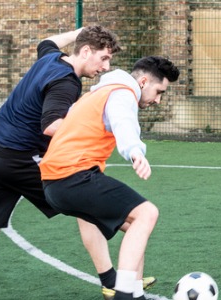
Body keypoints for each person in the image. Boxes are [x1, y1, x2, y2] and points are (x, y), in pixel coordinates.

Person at [0, 26, 149, 300]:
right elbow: (52, 124)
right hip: (19, 158)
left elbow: (47, 40)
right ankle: (114, 282)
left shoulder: (50, 57)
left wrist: (80, 31)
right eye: (103, 58)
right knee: (87, 202)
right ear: (85, 51)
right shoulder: (67, 82)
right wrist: (94, 124)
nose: (106, 66)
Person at [39, 56, 179, 300]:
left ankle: (134, 293)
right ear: (144, 81)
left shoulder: (98, 92)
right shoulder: (122, 93)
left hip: (55, 183)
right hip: (71, 176)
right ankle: (124, 294)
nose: (157, 100)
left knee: (137, 225)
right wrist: (135, 151)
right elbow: (123, 122)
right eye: (159, 91)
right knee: (147, 213)